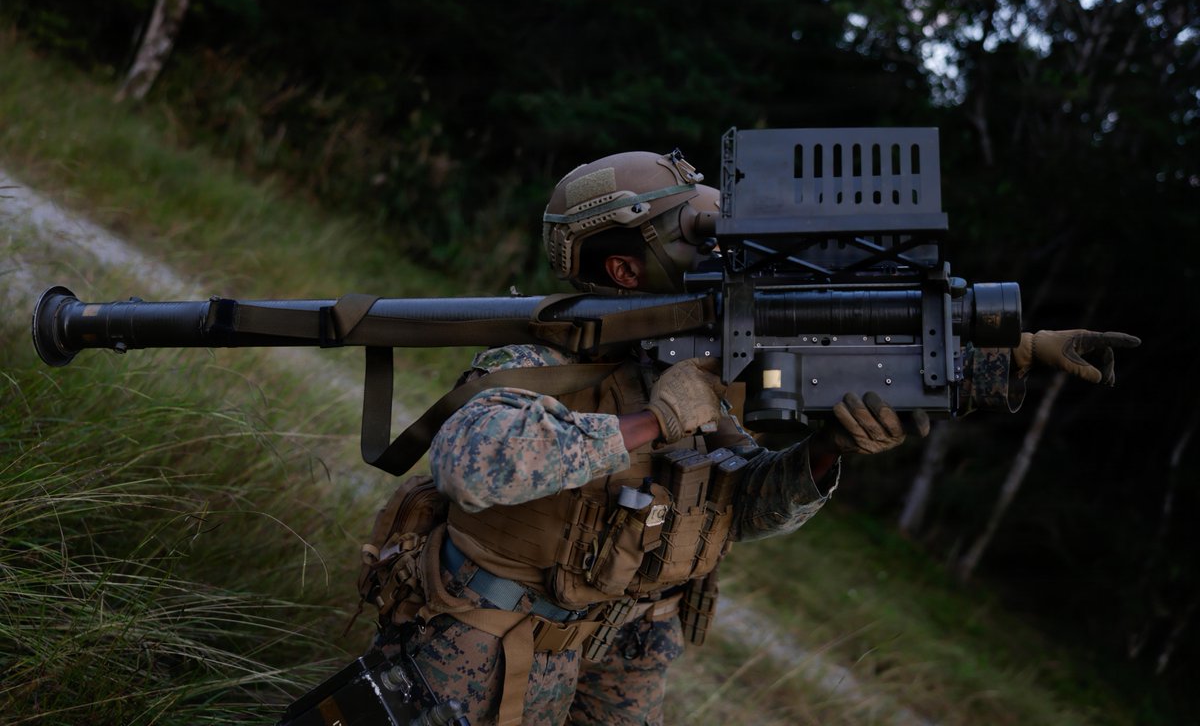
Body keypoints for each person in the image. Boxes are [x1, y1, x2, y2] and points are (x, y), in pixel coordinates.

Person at [362, 149, 1138, 726]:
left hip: (623, 646)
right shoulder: (541, 358)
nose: (724, 248)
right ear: (627, 270)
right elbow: (472, 468)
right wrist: (653, 420)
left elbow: (742, 509)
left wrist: (827, 454)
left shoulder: (720, 369)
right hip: (488, 648)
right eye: (695, 233)